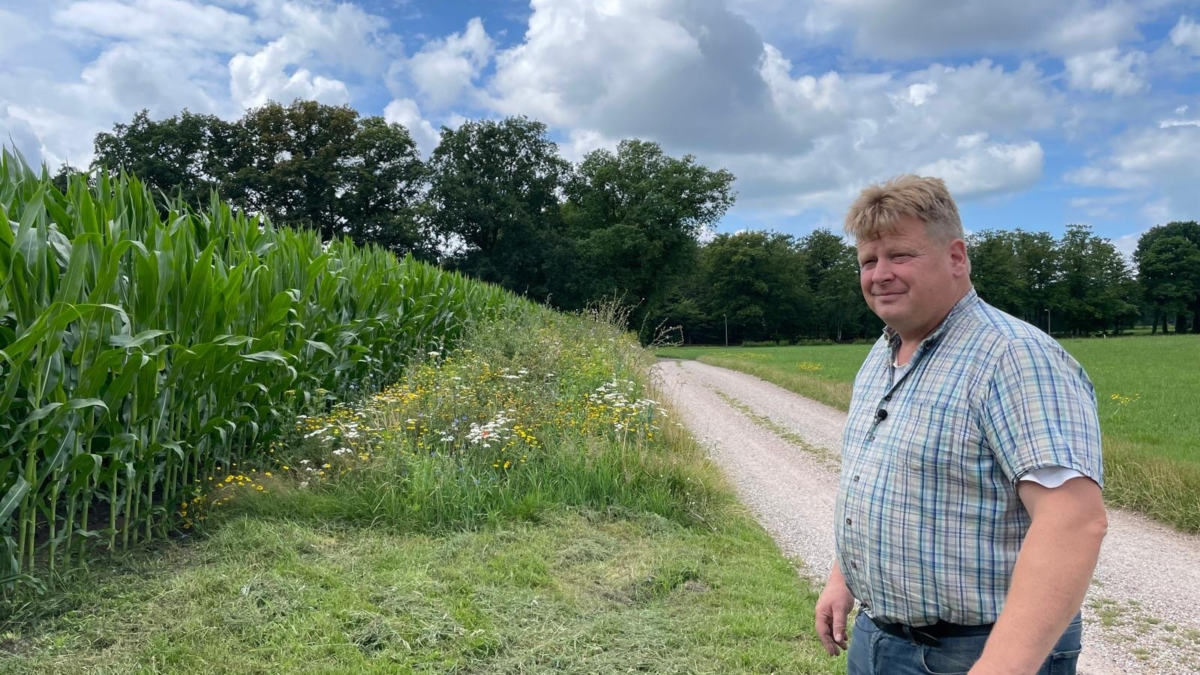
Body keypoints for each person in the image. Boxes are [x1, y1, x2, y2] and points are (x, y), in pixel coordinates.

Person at [815, 175, 1107, 675]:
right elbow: (880, 482)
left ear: (956, 257)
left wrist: (1002, 666)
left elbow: (1074, 522)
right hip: (879, 638)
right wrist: (843, 577)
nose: (879, 274)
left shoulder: (1013, 357)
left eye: (900, 255)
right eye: (869, 261)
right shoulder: (884, 354)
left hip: (974, 653)